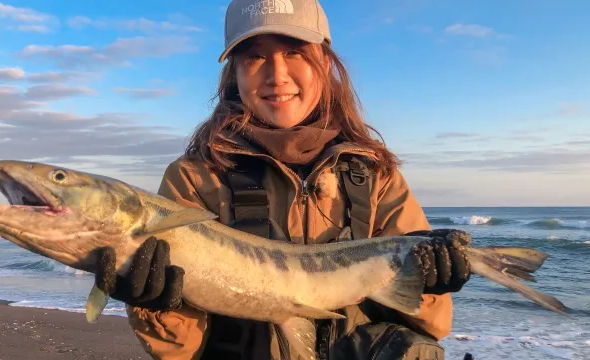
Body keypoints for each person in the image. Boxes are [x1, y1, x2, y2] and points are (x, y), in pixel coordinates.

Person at [95, 0, 472, 359]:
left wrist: (429, 283)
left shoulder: (376, 175)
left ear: (324, 62)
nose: (277, 76)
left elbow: (434, 326)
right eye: (255, 56)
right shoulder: (195, 177)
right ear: (235, 72)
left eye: (294, 52)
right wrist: (157, 306)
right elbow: (181, 351)